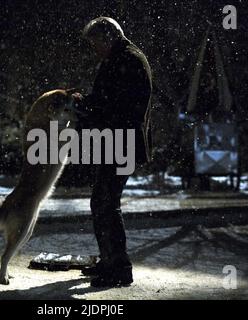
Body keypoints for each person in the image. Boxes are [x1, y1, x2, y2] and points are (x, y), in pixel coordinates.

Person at [73, 17, 153, 287]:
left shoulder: (127, 60)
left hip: (121, 141)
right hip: (118, 140)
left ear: (108, 38)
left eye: (95, 43)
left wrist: (89, 108)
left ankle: (118, 268)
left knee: (106, 203)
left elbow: (119, 105)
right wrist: (87, 103)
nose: (94, 49)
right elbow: (108, 99)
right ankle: (110, 263)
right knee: (103, 202)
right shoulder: (123, 58)